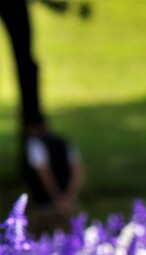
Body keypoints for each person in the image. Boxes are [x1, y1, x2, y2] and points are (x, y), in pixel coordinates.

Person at [2, 0, 85, 226]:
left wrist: (57, 198)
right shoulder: (62, 141)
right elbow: (78, 170)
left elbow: (43, 171)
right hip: (68, 203)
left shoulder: (35, 145)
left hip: (48, 205)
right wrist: (69, 197)